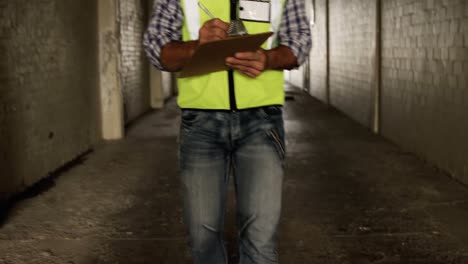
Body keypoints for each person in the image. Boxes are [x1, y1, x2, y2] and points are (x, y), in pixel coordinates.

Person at [143, 0, 311, 263]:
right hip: (201, 123)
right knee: (203, 235)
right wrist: (196, 48)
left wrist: (268, 59)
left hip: (262, 122)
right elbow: (157, 49)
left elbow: (300, 41)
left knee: (260, 239)